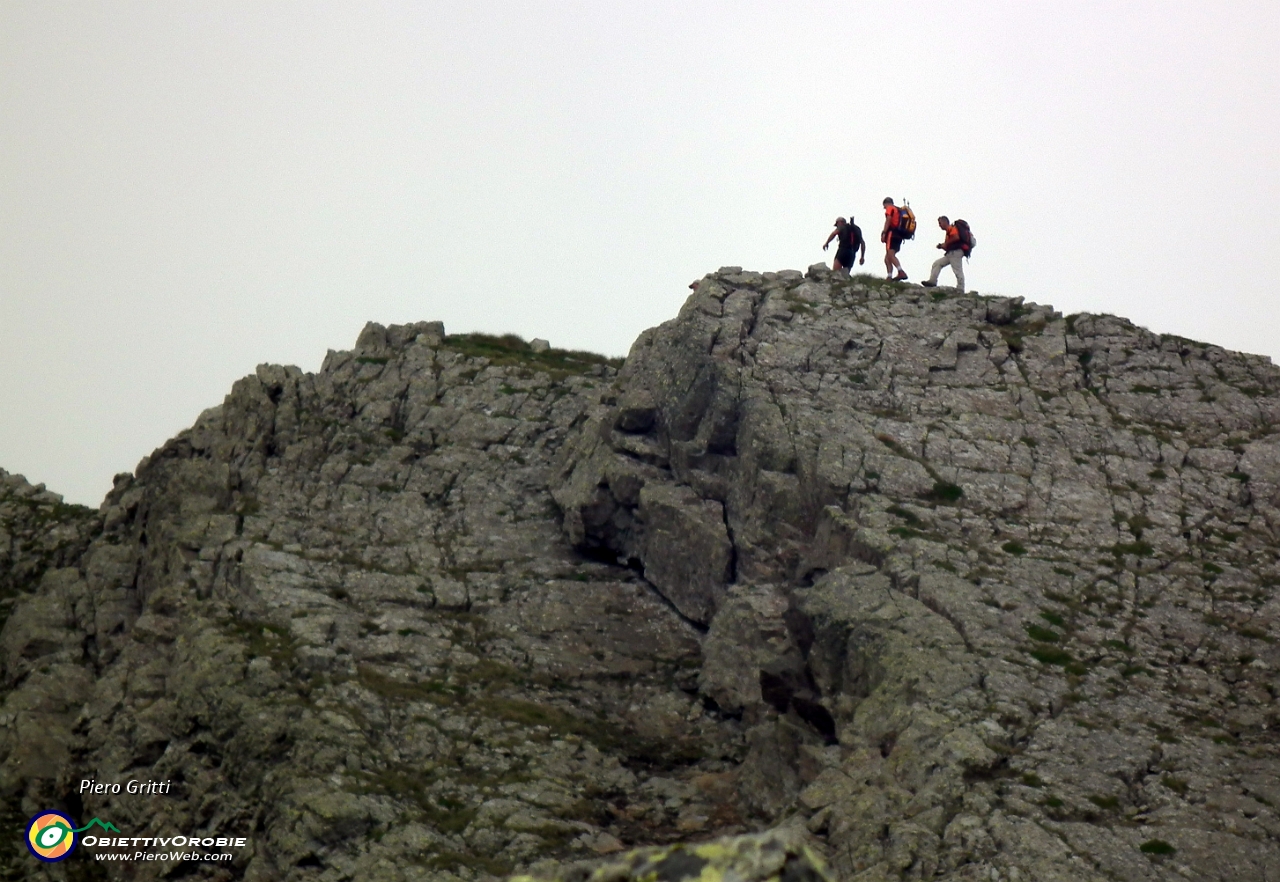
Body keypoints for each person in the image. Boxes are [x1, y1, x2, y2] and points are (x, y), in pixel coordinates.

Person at [920, 216, 965, 293]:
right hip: (951, 253)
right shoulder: (948, 232)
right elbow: (949, 245)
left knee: (957, 270)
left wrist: (946, 243)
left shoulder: (951, 228)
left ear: (945, 222)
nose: (939, 225)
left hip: (956, 252)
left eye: (940, 223)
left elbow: (956, 237)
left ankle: (960, 288)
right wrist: (942, 246)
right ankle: (932, 281)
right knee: (937, 263)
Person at [880, 198, 908, 281]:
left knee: (890, 255)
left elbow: (888, 219)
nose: (884, 208)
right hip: (899, 235)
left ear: (886, 203)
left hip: (892, 234)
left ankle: (901, 271)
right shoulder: (898, 210)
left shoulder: (890, 208)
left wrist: (884, 232)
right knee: (887, 258)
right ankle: (889, 276)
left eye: (884, 206)